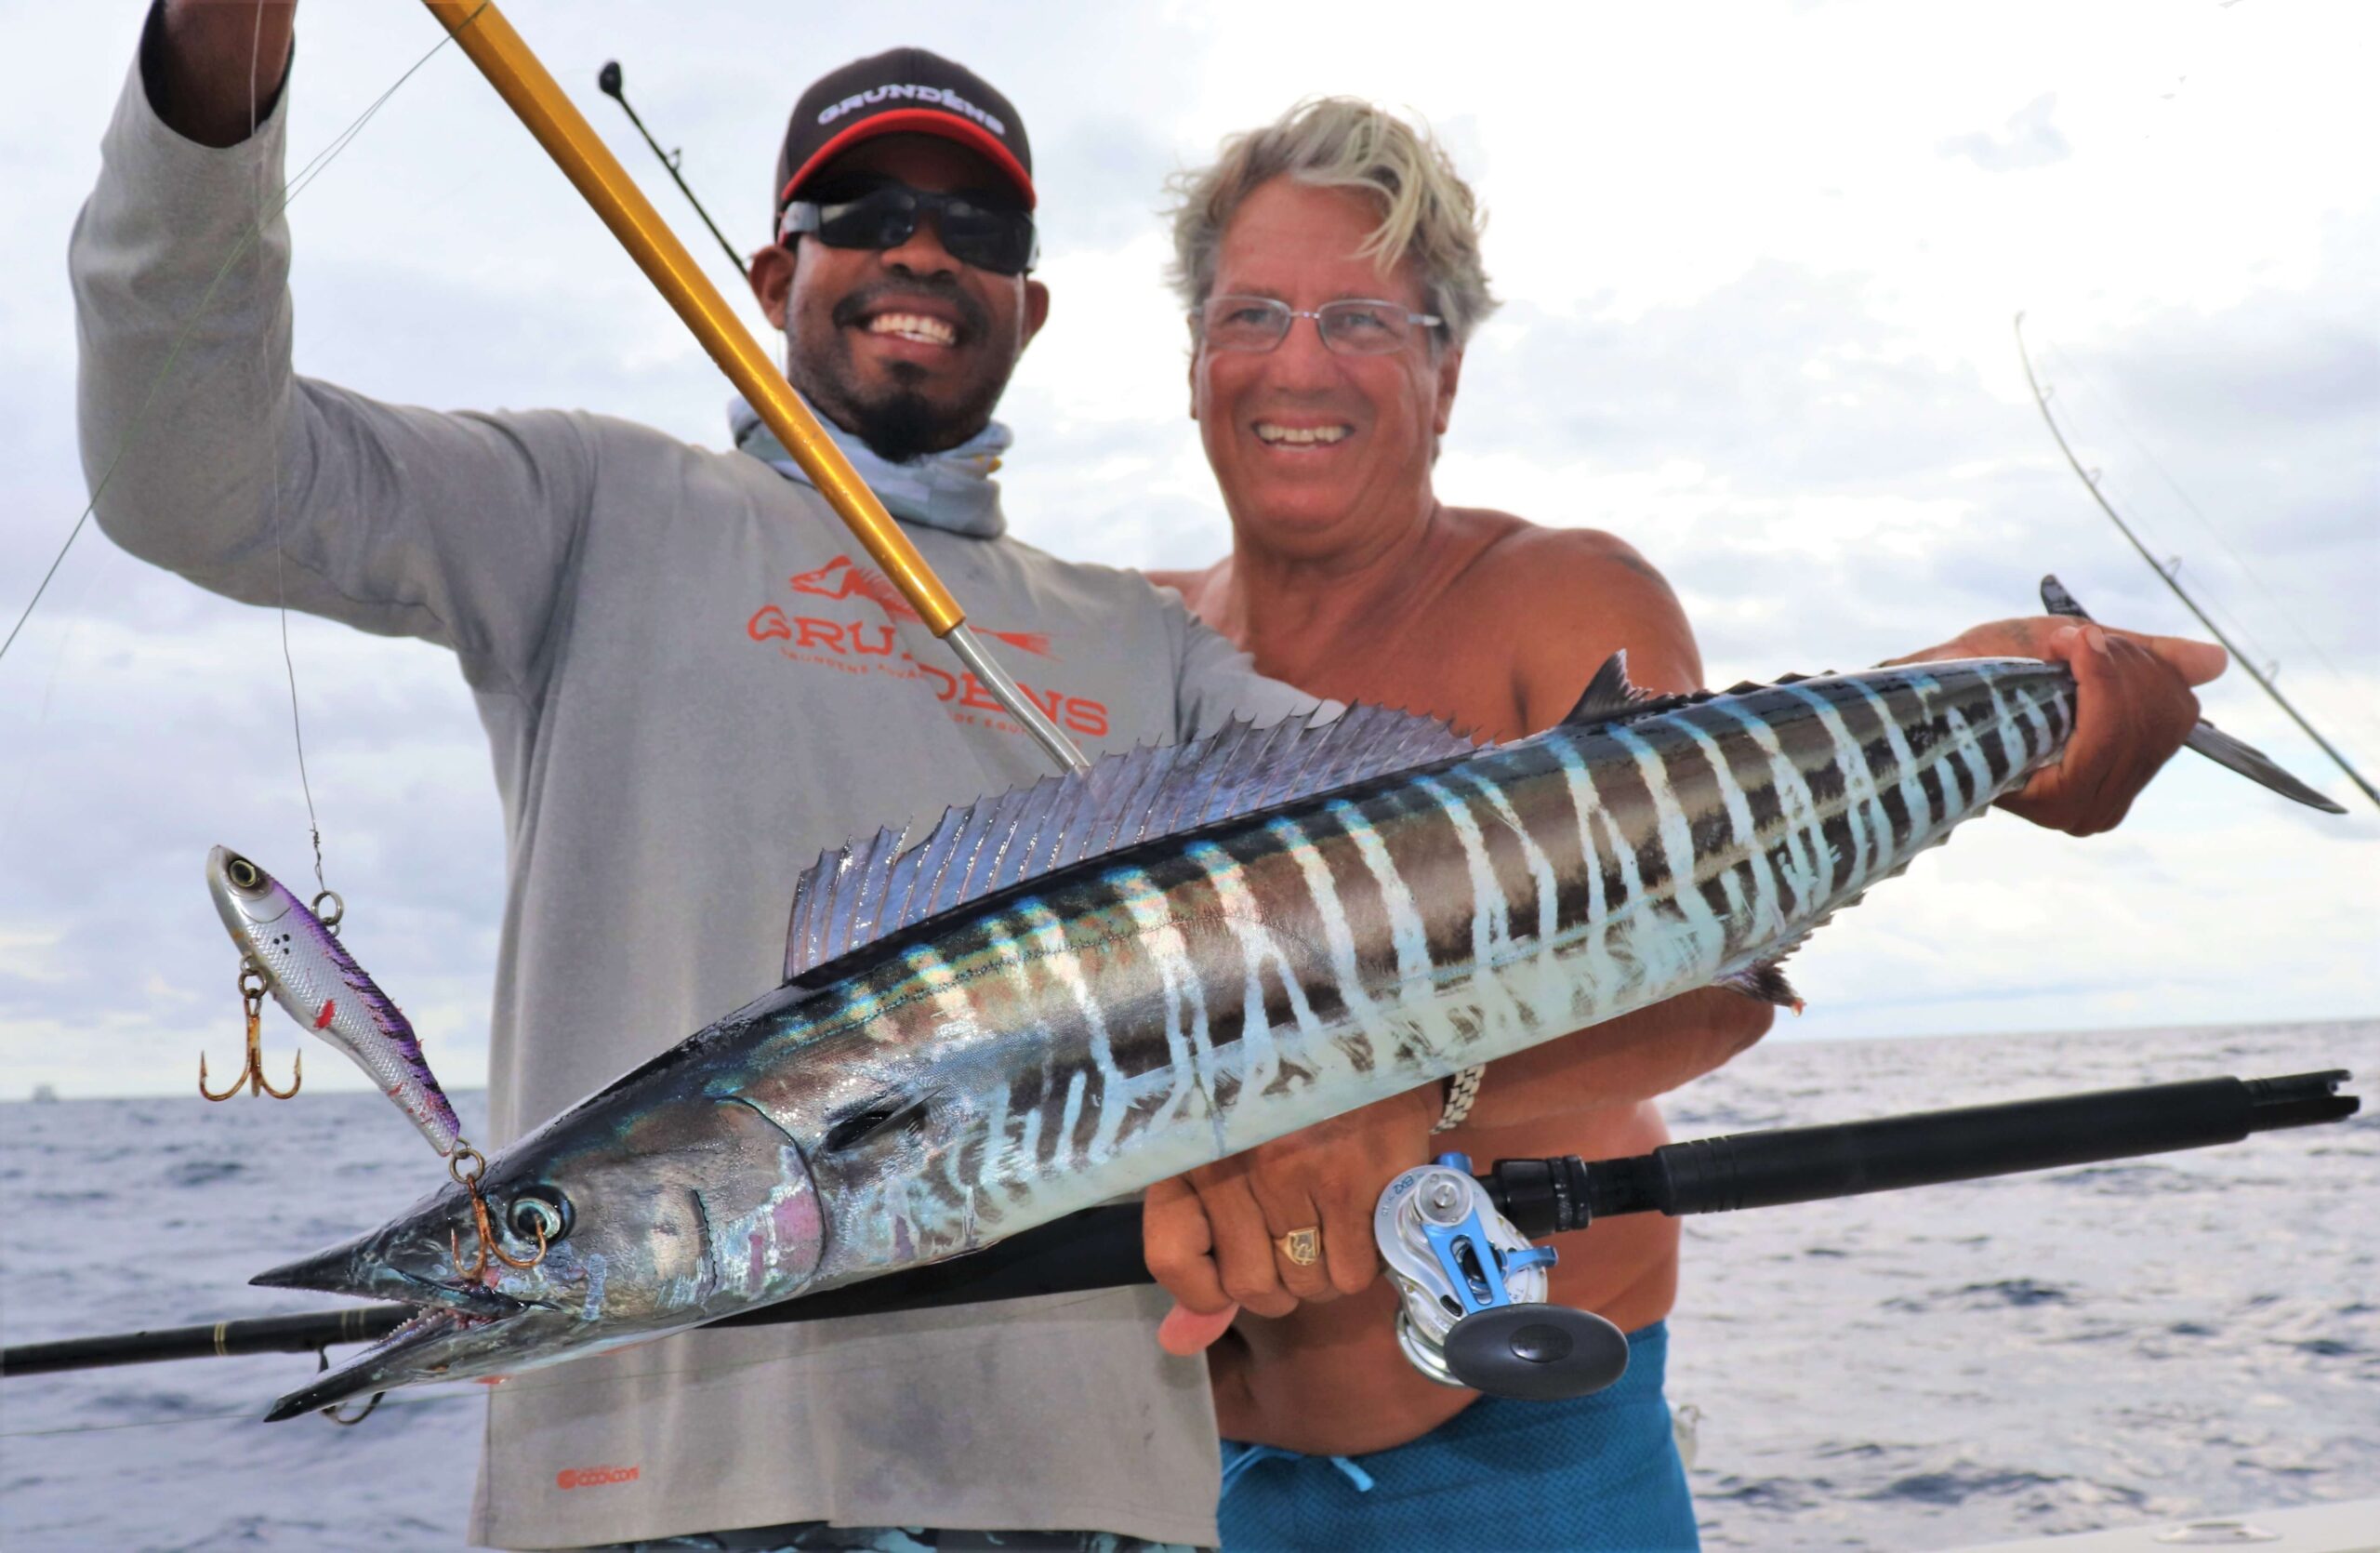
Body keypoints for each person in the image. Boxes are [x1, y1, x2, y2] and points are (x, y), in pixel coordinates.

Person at [75, 7, 1319, 1549]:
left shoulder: (1148, 642)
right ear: (771, 276)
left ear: (1031, 301)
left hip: (1088, 1496)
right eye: (861, 212)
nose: (919, 251)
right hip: (654, 1497)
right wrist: (213, 53)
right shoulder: (593, 508)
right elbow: (191, 471)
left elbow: (1456, 825)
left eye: (972, 223)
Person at [1136, 99, 2221, 1550]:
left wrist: (1415, 1102)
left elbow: (1712, 969)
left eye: (1364, 321)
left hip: (1531, 1457)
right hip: (1195, 1475)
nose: (1297, 361)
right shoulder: (1124, 642)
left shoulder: (1560, 597)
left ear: (1446, 370)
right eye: (1251, 311)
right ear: (1195, 354)